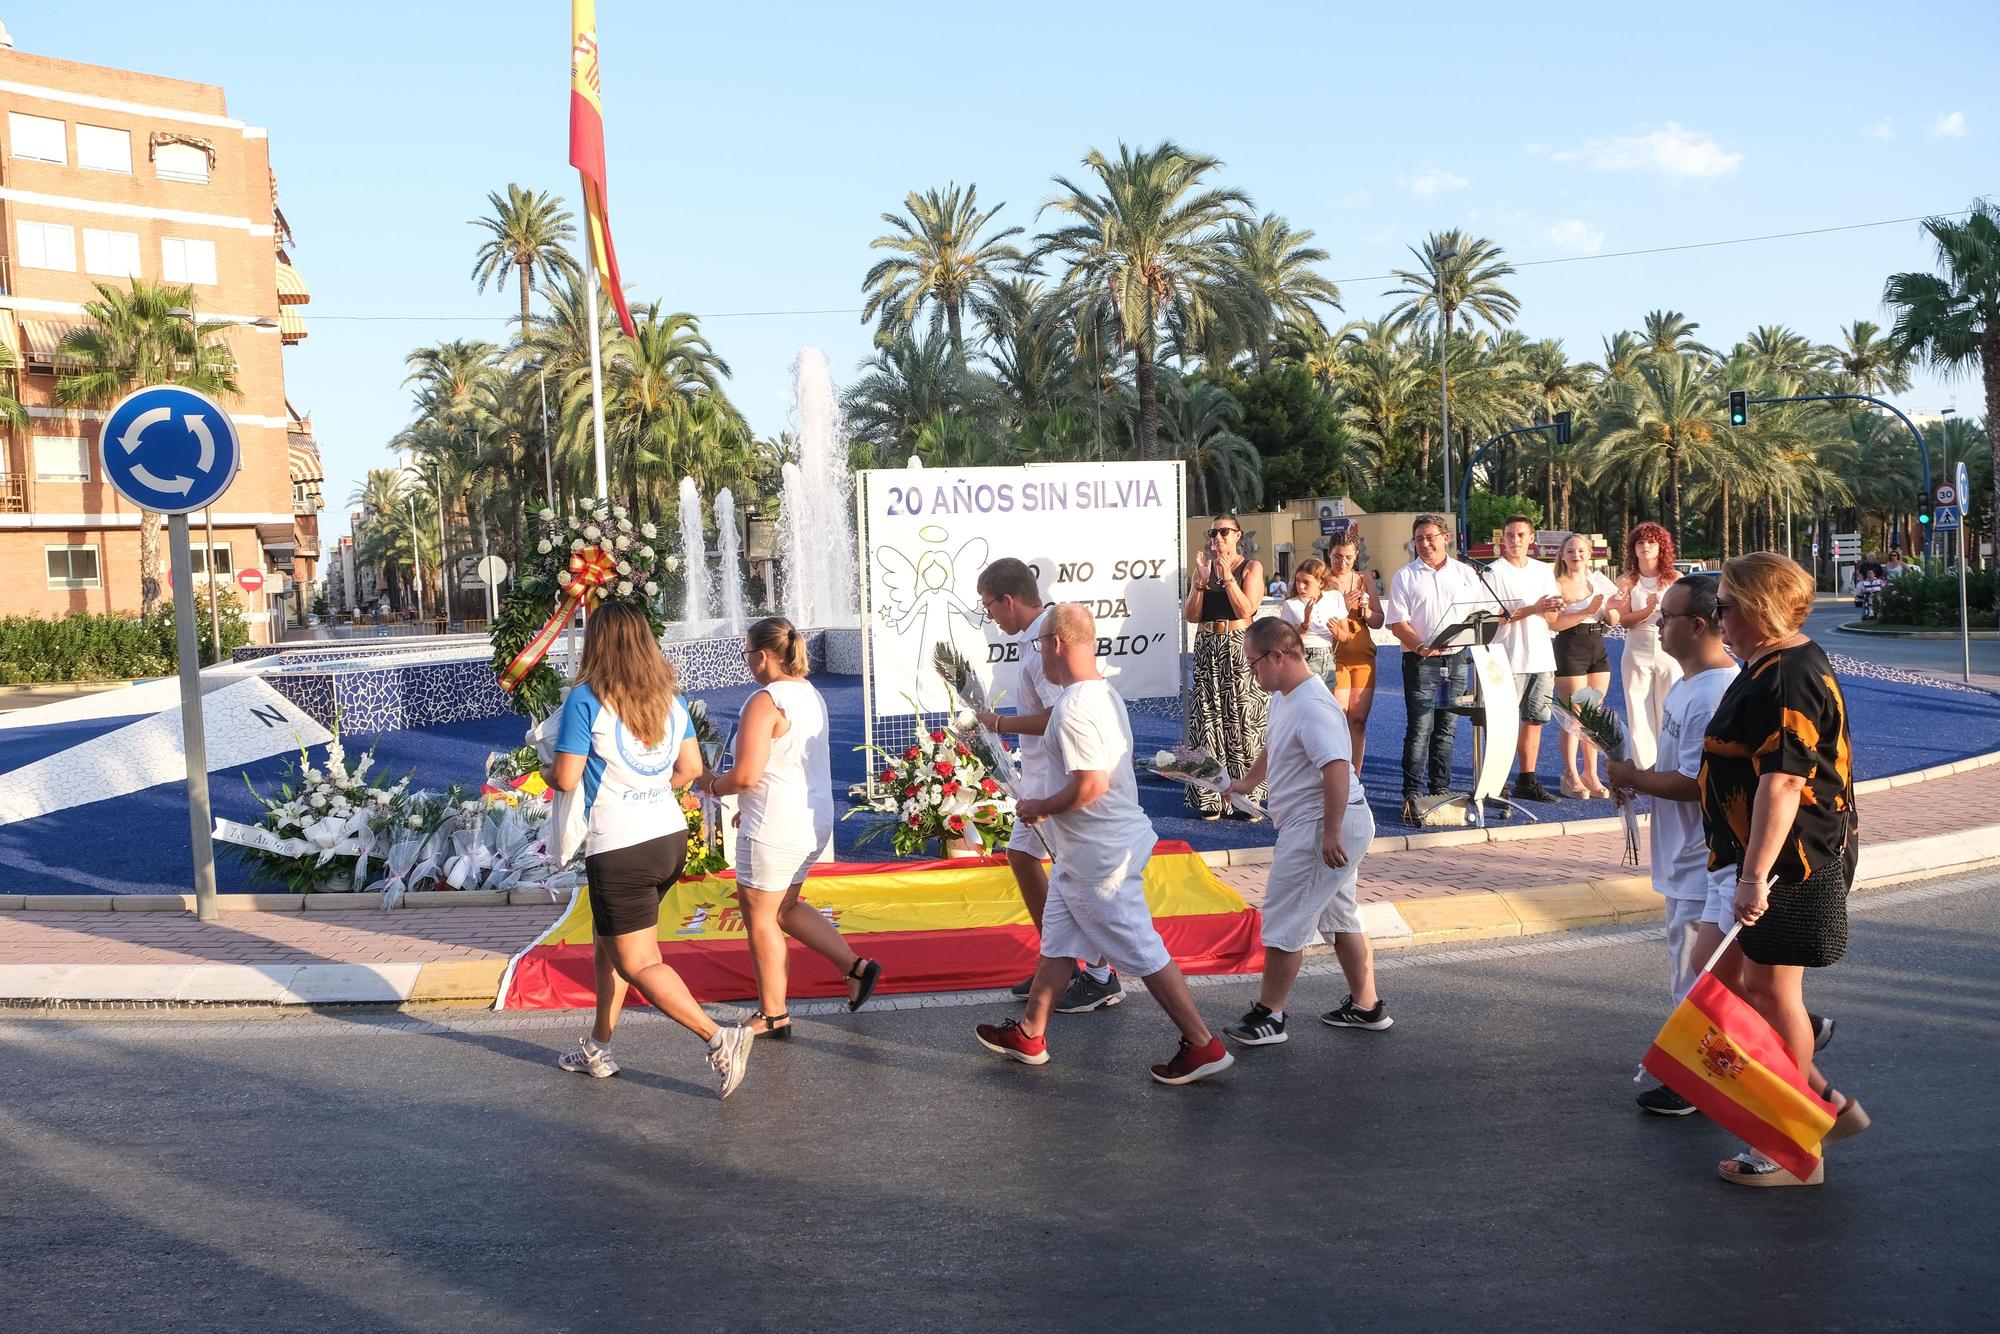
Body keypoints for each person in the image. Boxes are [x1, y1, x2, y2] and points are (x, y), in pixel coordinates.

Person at [974, 603, 1235, 1086]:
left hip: (1100, 857)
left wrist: (1039, 807)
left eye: (1039, 645)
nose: (1038, 656)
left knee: (1141, 950)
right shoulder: (1100, 692)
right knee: (1056, 943)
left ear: (1054, 644)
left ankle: (1202, 1044)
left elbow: (1090, 784)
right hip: (1087, 853)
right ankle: (1031, 1032)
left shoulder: (1075, 707)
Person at [1699, 553, 1868, 1186]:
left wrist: (1753, 877)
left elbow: (1784, 781)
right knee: (1739, 984)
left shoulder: (1787, 673)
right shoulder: (1773, 663)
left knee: (1772, 994)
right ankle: (1821, 1108)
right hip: (1772, 858)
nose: (1718, 620)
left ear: (1756, 607)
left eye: (1724, 607)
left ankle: (1792, 1145)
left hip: (1790, 861)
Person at [544, 599, 752, 1098]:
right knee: (607, 943)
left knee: (637, 961)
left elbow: (568, 776)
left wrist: (546, 767)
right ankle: (598, 1048)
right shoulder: (669, 699)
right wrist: (649, 789)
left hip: (620, 848)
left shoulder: (585, 700)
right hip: (667, 837)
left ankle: (719, 1036)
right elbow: (690, 770)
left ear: (598, 643)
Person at [696, 617, 880, 1037]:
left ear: (762, 656)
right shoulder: (809, 693)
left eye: (747, 655)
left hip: (775, 824)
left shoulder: (764, 701)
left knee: (759, 915)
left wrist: (710, 783)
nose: (747, 663)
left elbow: (744, 775)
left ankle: (773, 1013)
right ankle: (855, 966)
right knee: (785, 907)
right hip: (812, 817)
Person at [1605, 576, 1740, 1115]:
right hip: (1681, 852)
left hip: (1699, 858)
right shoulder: (1687, 685)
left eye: (1666, 617)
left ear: (1698, 625)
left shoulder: (1713, 693)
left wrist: (1634, 777)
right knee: (1698, 968)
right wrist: (1634, 779)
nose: (1657, 624)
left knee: (1692, 972)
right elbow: (1675, 771)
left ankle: (1691, 1082)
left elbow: (1694, 783)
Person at [1221, 618, 1388, 1045]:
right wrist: (1247, 782)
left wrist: (1330, 832)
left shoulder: (1312, 705)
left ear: (1278, 656)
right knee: (1339, 915)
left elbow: (1336, 767)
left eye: (1254, 663)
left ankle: (1269, 1015)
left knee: (1283, 916)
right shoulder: (1287, 696)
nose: (1252, 673)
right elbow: (1272, 746)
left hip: (1320, 824)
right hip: (1324, 821)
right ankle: (1366, 1006)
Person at [973, 558, 1122, 1015]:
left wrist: (998, 723)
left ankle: (1098, 972)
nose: (990, 618)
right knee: (1025, 859)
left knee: (1072, 880)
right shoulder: (1035, 639)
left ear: (1008, 600)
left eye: (989, 607)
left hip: (1056, 780)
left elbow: (1061, 712)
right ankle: (1060, 964)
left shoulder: (1044, 644)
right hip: (1042, 778)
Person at [1382, 514, 1488, 822]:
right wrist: (1421, 647)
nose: (1425, 544)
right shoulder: (1406, 576)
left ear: (1446, 538)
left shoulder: (1466, 573)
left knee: (1447, 729)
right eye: (1419, 539)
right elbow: (1397, 622)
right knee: (1420, 729)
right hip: (1421, 661)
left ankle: (1440, 790)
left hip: (1456, 661)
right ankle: (1412, 794)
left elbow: (1480, 614)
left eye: (1430, 537)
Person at [1180, 514, 1267, 818]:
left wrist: (1227, 577)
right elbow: (1191, 615)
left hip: (1238, 644)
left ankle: (1246, 796)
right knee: (1206, 721)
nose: (1217, 537)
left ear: (1237, 535)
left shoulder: (1250, 568)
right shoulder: (1203, 569)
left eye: (1224, 532)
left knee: (1240, 719)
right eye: (1213, 532)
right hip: (1206, 645)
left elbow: (1248, 608)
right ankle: (1210, 798)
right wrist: (1201, 585)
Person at [1482, 515, 1565, 803]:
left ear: (1531, 538)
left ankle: (1526, 780)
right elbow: (1493, 618)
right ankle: (1497, 782)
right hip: (1507, 659)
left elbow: (1552, 617)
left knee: (1535, 720)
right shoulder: (1492, 573)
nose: (1515, 540)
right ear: (1502, 540)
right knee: (1503, 724)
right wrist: (1534, 608)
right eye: (1509, 535)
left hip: (1541, 657)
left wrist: (1555, 608)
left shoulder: (1543, 571)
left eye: (1520, 535)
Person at [1605, 522, 1682, 768]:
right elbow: (1624, 621)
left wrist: (1662, 612)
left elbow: (1683, 616)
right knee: (1637, 708)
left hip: (1669, 649)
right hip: (1636, 648)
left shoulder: (1676, 579)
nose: (1645, 546)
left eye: (1650, 542)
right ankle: (1643, 767)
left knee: (1669, 708)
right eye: (1640, 542)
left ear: (1662, 547)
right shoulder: (1626, 580)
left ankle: (1670, 765)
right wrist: (1649, 609)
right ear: (1633, 548)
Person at [1552, 534, 1619, 798]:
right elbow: (1554, 623)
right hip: (1570, 646)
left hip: (1597, 645)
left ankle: (1590, 772)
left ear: (1589, 554)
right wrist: (1586, 609)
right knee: (1574, 714)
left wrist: (1612, 608)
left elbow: (1613, 619)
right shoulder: (1558, 583)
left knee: (1594, 714)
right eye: (1570, 551)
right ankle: (1569, 774)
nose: (1576, 555)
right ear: (1563, 555)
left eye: (1580, 550)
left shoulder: (1600, 580)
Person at [1322, 530, 1384, 775]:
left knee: (1358, 720)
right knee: (1337, 718)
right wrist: (1342, 606)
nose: (1343, 563)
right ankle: (1336, 775)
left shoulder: (1363, 579)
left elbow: (1379, 620)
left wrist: (1367, 612)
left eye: (1348, 557)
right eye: (1338, 556)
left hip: (1362, 656)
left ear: (1356, 555)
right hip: (1335, 655)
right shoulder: (1322, 579)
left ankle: (1354, 778)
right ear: (1329, 554)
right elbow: (1314, 619)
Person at [1277, 558, 1343, 681]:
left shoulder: (1334, 597)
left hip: (1328, 658)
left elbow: (1345, 637)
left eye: (1306, 582)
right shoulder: (1291, 605)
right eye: (1297, 581)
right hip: (1304, 658)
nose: (1301, 587)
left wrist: (1336, 630)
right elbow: (1286, 644)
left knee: (1327, 700)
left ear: (1321, 583)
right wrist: (1305, 624)